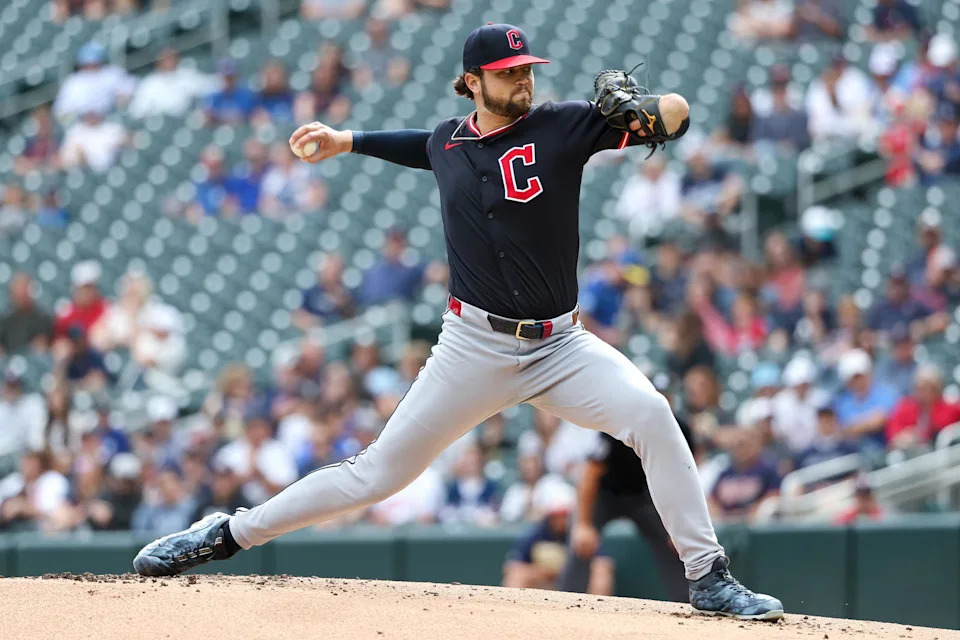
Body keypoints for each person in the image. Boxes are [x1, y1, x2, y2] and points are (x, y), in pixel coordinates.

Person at [134, 23, 782, 621]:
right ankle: (225, 535)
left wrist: (660, 108)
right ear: (473, 81)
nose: (522, 81)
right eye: (507, 73)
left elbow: (674, 116)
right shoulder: (450, 139)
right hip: (472, 347)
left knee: (652, 415)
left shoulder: (562, 127)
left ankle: (709, 576)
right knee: (376, 475)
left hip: (561, 346)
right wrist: (348, 140)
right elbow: (422, 146)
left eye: (526, 70)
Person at [559, 426, 692, 602]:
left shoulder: (678, 429)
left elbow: (684, 478)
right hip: (604, 494)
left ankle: (688, 601)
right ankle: (567, 599)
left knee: (675, 542)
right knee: (582, 541)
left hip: (644, 494)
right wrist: (583, 524)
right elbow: (590, 474)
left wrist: (678, 524)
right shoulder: (618, 428)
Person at [503, 481, 613, 595]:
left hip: (579, 585)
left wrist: (573, 571)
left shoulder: (581, 532)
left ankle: (595, 612)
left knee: (601, 575)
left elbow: (604, 564)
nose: (561, 520)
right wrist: (543, 572)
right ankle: (514, 612)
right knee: (516, 577)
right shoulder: (536, 532)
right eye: (556, 515)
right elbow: (512, 567)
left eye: (564, 514)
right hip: (545, 586)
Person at [831, 349, 901, 450]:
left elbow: (880, 420)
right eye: (853, 378)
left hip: (885, 447)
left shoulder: (885, 391)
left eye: (859, 376)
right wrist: (866, 423)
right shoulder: (842, 402)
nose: (857, 381)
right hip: (856, 453)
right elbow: (842, 430)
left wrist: (855, 426)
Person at [52, 41, 136, 123]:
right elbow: (60, 111)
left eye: (94, 63)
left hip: (109, 122)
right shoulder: (73, 81)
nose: (91, 66)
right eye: (87, 64)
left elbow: (130, 88)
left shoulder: (112, 73)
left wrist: (120, 102)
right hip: (82, 124)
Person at [886, 365, 960, 453]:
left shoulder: (950, 408)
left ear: (936, 389)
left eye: (925, 389)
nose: (920, 393)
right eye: (917, 388)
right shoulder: (905, 407)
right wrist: (903, 437)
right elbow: (892, 434)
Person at [128, 48, 218, 119]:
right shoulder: (150, 83)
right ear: (159, 62)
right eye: (166, 59)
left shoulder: (187, 75)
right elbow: (137, 111)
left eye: (172, 58)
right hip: (160, 122)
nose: (170, 61)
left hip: (188, 119)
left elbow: (210, 85)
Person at [59, 107, 128, 173]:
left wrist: (86, 158)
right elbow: (65, 157)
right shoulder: (75, 130)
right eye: (88, 113)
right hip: (77, 172)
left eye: (93, 113)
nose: (91, 116)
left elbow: (104, 161)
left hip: (104, 170)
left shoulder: (112, 129)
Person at [0, 273, 55, 355]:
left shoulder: (42, 317)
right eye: (17, 293)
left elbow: (44, 344)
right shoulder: (5, 319)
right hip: (9, 362)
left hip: (35, 362)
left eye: (24, 291)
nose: (21, 296)